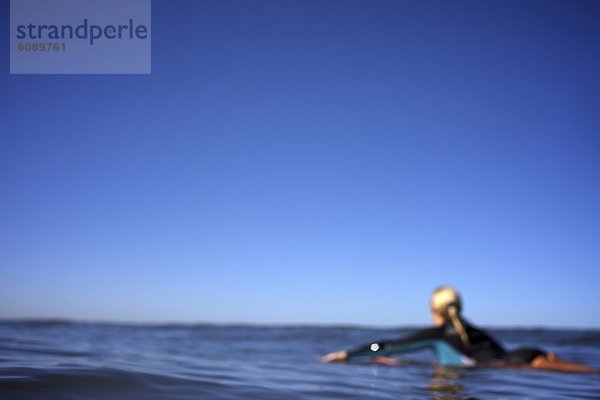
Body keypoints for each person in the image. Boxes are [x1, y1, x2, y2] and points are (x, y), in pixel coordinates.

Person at [322, 286, 595, 373]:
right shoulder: (472, 329)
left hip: (515, 365)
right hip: (526, 354)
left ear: (433, 310)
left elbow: (384, 345)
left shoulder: (439, 334)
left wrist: (350, 353)